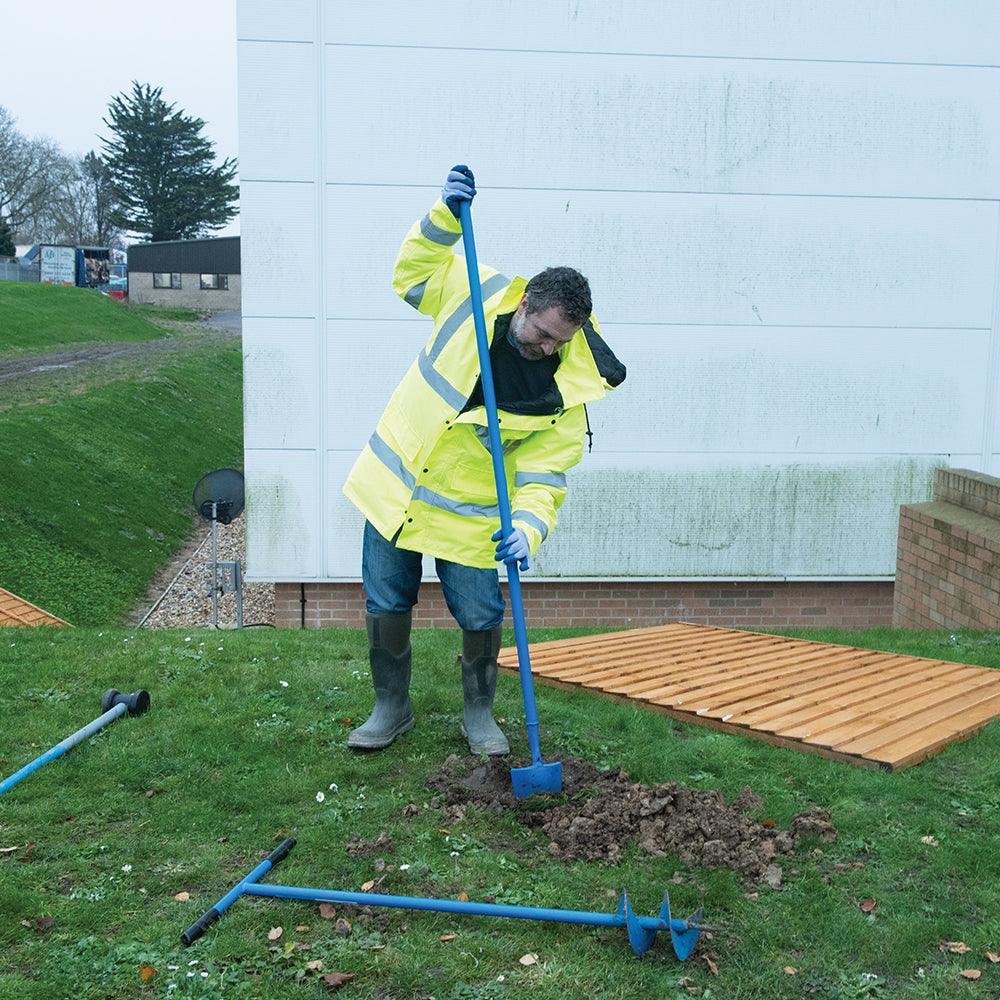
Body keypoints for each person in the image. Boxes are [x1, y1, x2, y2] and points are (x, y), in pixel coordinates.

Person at [343, 165, 626, 755]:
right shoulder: (474, 291)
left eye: (559, 341)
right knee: (386, 601)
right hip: (396, 490)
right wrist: (445, 217)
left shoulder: (570, 387)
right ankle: (390, 707)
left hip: (472, 516)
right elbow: (412, 274)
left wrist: (526, 529)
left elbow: (546, 475)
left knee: (479, 613)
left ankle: (479, 714)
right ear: (525, 302)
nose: (547, 347)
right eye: (542, 332)